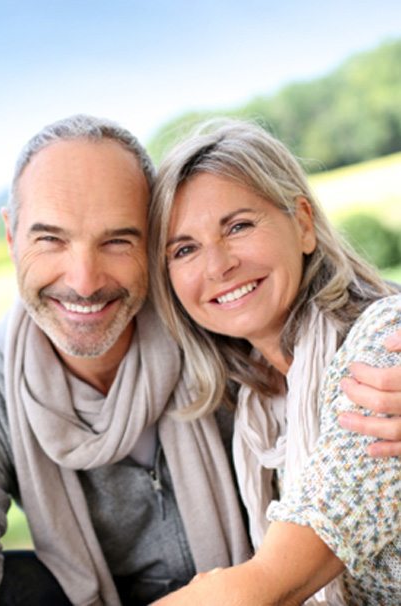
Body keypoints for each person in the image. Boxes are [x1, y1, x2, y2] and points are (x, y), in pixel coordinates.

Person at [0, 115, 399, 606]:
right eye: (50, 239)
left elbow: (360, 321)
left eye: (118, 240)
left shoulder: (220, 335)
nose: (85, 280)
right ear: (11, 238)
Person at [148, 118, 401, 605]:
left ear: (303, 224)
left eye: (238, 226)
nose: (218, 266)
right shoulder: (255, 411)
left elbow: (265, 588)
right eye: (184, 249)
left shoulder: (382, 346)